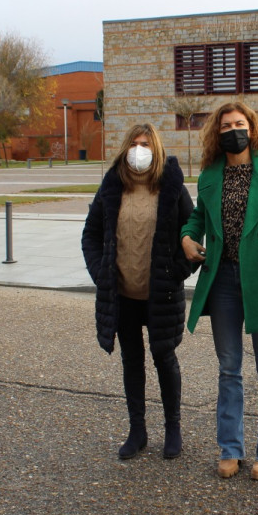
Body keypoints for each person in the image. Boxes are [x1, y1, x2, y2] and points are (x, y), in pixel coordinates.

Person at [181, 102, 258, 480]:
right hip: (222, 280)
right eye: (226, 125)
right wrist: (187, 236)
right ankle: (230, 448)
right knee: (229, 369)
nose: (233, 129)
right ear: (216, 133)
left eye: (240, 123)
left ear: (252, 127)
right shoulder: (210, 172)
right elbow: (199, 214)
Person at [82, 123, 193, 461]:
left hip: (161, 295)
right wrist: (101, 272)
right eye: (134, 143)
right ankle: (137, 430)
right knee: (132, 360)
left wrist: (176, 271)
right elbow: (91, 233)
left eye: (145, 144)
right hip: (123, 295)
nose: (139, 150)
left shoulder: (172, 187)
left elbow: (193, 234)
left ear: (155, 148)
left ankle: (173, 429)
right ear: (124, 148)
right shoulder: (113, 185)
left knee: (164, 358)